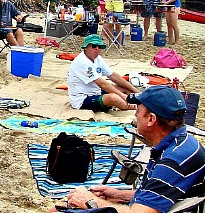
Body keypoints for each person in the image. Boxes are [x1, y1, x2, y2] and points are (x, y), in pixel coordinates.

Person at [52, 85, 205, 213]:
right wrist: (119, 195)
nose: (136, 113)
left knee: (58, 210)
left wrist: (91, 201)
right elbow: (158, 195)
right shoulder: (182, 144)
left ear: (151, 119)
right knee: (63, 206)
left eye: (139, 109)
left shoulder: (172, 161)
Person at [67, 34, 139, 112]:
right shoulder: (82, 62)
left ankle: (139, 101)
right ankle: (134, 107)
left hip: (96, 91)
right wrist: (123, 96)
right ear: (86, 47)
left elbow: (113, 75)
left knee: (123, 88)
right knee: (113, 98)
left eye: (99, 46)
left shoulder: (98, 59)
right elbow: (102, 84)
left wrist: (137, 92)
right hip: (82, 99)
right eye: (94, 46)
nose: (97, 49)